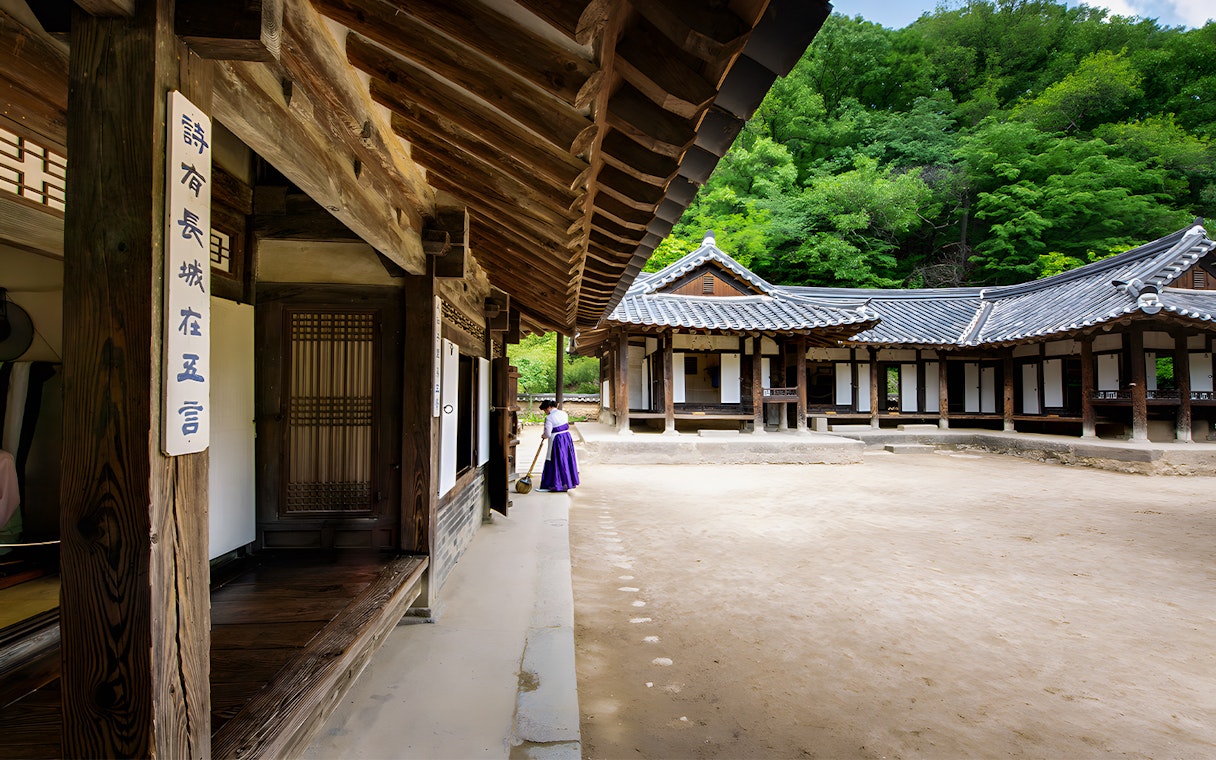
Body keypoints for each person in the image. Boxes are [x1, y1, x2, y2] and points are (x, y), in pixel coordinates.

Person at [539, 400, 579, 492]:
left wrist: (543, 436)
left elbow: (548, 434)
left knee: (555, 460)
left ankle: (554, 484)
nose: (545, 412)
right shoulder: (563, 413)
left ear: (549, 407)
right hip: (566, 438)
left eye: (545, 410)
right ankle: (566, 483)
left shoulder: (549, 418)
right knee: (565, 459)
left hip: (556, 440)